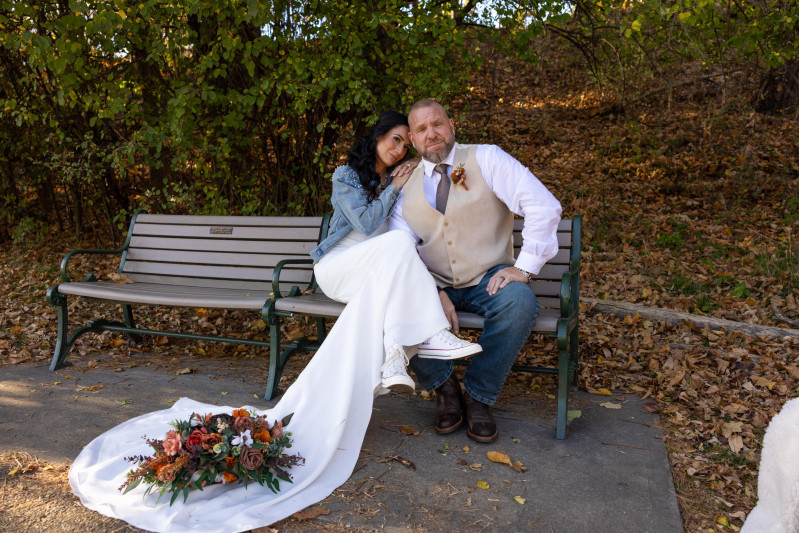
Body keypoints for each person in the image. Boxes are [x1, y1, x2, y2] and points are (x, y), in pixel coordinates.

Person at [68, 111, 482, 533]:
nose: (398, 150)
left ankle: (397, 353)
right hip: (339, 265)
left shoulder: (402, 176)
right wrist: (395, 187)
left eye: (403, 144)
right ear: (375, 139)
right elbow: (368, 223)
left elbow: (411, 231)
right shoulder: (347, 175)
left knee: (397, 251)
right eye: (393, 140)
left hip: (376, 265)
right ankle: (426, 337)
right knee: (393, 243)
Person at [389, 99, 563, 443]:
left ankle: (478, 396)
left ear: (451, 125)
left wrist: (524, 268)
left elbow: (543, 206)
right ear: (412, 137)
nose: (432, 134)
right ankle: (445, 390)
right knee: (395, 302)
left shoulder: (487, 158)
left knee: (520, 303)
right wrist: (430, 291)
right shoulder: (403, 183)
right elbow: (399, 247)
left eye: (437, 124)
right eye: (422, 129)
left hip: (488, 277)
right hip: (435, 280)